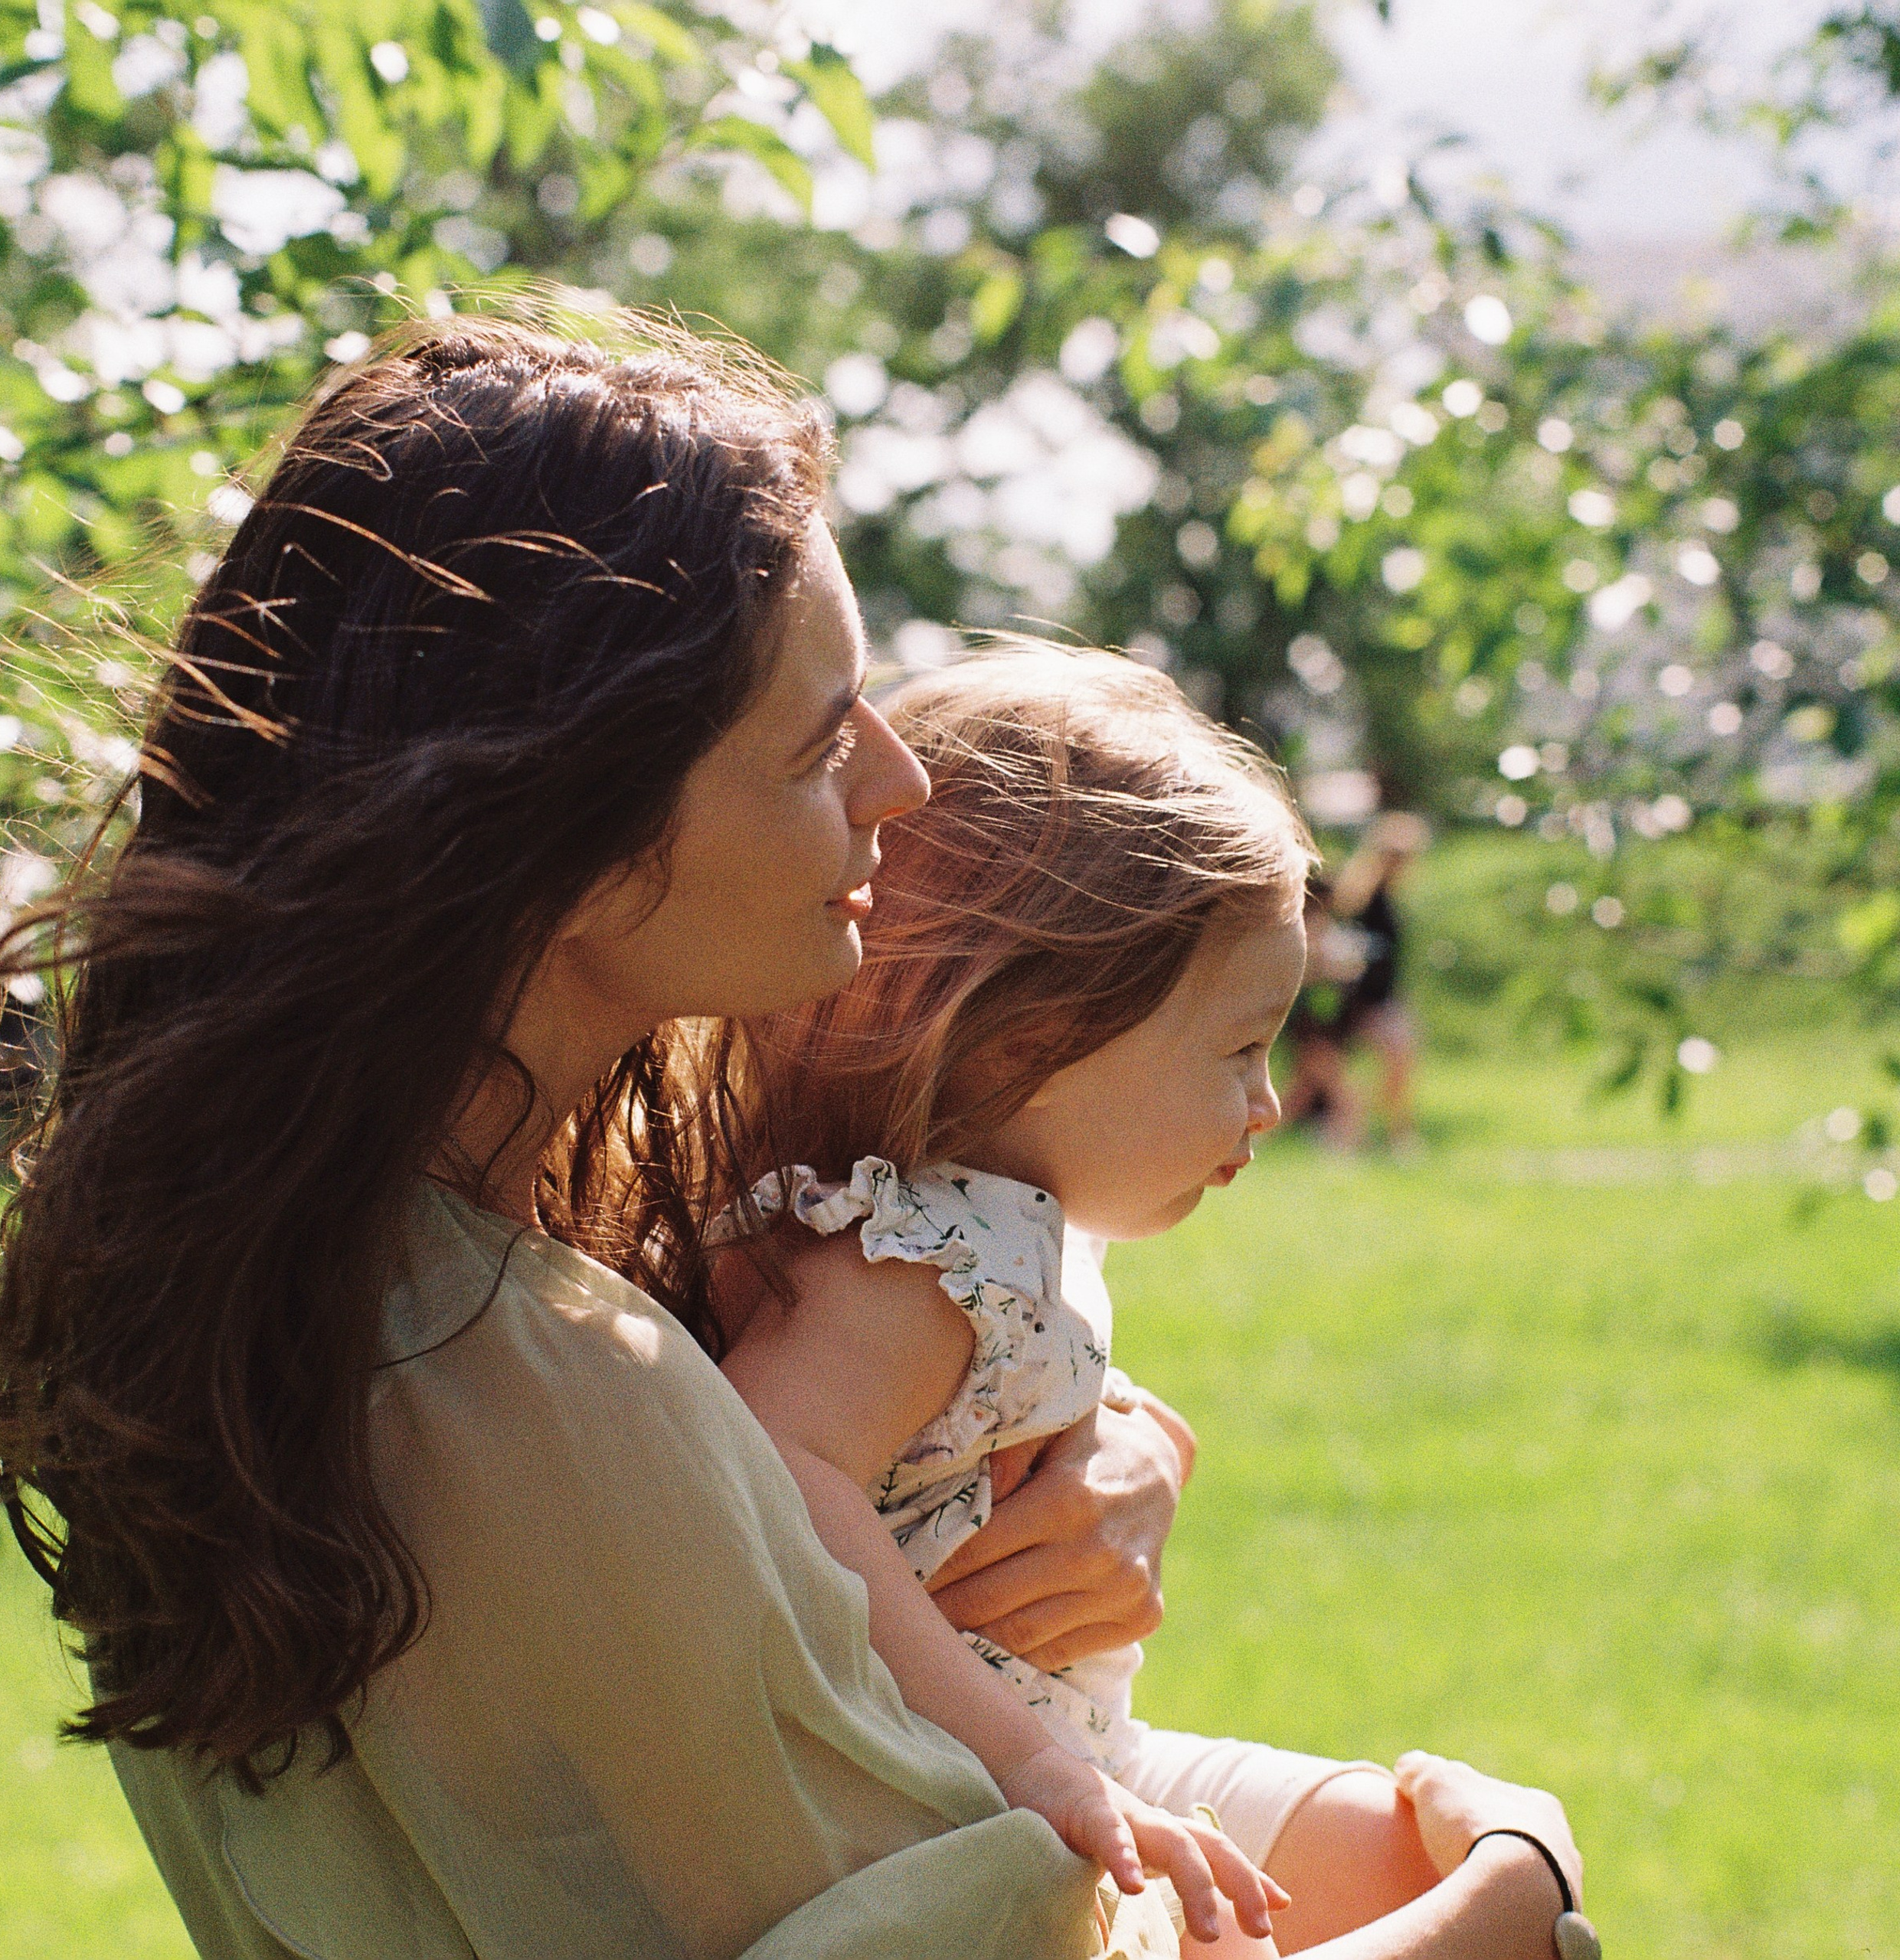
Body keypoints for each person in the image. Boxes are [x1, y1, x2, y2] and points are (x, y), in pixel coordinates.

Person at [0, 312, 1582, 1960]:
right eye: (823, 738)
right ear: (587, 833)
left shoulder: (335, 1272)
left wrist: (1080, 1435)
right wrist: (1499, 1906)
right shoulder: (529, 1387)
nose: (899, 783)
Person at [712, 650, 1584, 1958]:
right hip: (956, 1806)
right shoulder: (913, 1270)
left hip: (1061, 1761)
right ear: (1031, 1040)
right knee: (1467, 1893)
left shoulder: (990, 1238)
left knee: (1397, 1851)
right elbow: (772, 1476)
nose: (1270, 1103)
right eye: (1239, 1048)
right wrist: (1044, 1775)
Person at [1281, 814, 1430, 1152]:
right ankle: (1390, 1137)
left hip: (1373, 997)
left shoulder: (1390, 899)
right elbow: (1327, 946)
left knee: (1320, 1085)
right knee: (1335, 1086)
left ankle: (1388, 1136)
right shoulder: (1356, 897)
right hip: (1350, 1001)